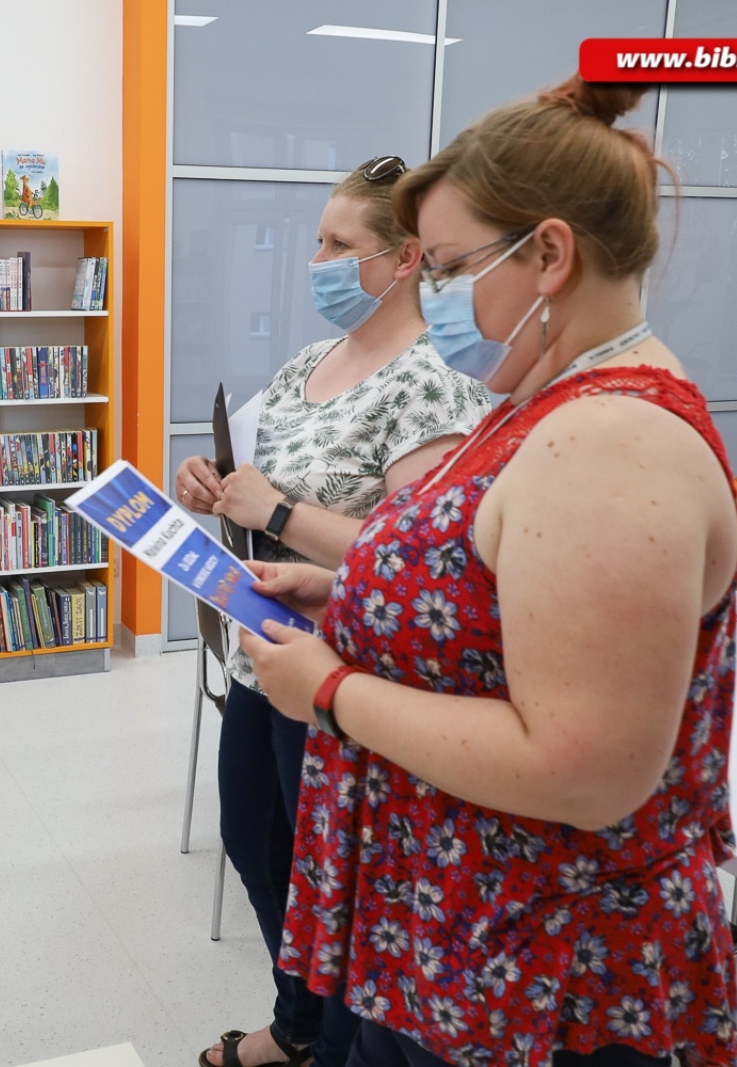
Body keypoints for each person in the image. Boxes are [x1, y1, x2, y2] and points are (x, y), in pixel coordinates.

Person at [238, 75, 737, 1067]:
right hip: (459, 939)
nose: (432, 300)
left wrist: (332, 692)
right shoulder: (538, 399)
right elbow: (498, 596)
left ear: (549, 253)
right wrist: (346, 591)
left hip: (537, 970)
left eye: (454, 267)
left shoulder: (609, 442)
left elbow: (584, 766)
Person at [176, 156, 494, 1067]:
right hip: (262, 652)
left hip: (347, 674)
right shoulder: (311, 362)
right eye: (316, 238)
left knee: (334, 883)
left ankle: (337, 1036)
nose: (315, 258)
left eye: (335, 243)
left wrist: (274, 512)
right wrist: (211, 485)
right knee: (254, 840)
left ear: (401, 261)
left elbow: (413, 557)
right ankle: (302, 1016)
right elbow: (251, 476)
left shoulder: (431, 380)